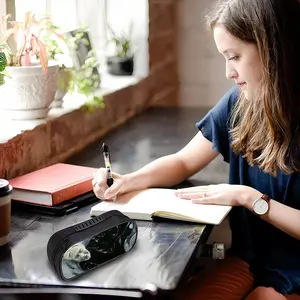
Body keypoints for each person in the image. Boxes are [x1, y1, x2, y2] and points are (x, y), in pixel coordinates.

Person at [92, 0, 300, 298]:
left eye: (235, 56)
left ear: (272, 49)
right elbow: (183, 161)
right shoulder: (238, 103)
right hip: (248, 262)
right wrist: (129, 180)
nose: (229, 72)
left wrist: (250, 198)